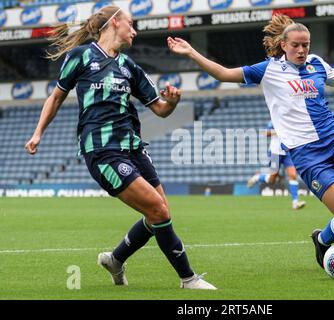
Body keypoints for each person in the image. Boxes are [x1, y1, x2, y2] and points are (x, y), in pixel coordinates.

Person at [168, 14, 334, 270]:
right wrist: (191, 52)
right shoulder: (268, 70)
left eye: (305, 45)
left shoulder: (316, 63)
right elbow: (224, 74)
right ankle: (321, 240)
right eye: (295, 45)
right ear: (283, 45)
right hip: (309, 155)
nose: (301, 50)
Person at [24, 6, 216, 290]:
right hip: (102, 151)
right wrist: (38, 133)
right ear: (115, 23)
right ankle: (188, 279)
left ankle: (115, 260)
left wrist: (172, 102)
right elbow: (55, 98)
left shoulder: (129, 66)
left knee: (159, 214)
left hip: (134, 149)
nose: (135, 31)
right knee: (159, 212)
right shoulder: (80, 57)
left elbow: (160, 110)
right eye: (132, 24)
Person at [247, 120, 306, 210]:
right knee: (272, 179)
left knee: (293, 175)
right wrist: (279, 130)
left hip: (288, 152)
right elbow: (266, 133)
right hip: (275, 152)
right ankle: (257, 177)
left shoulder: (291, 119)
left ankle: (295, 202)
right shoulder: (275, 120)